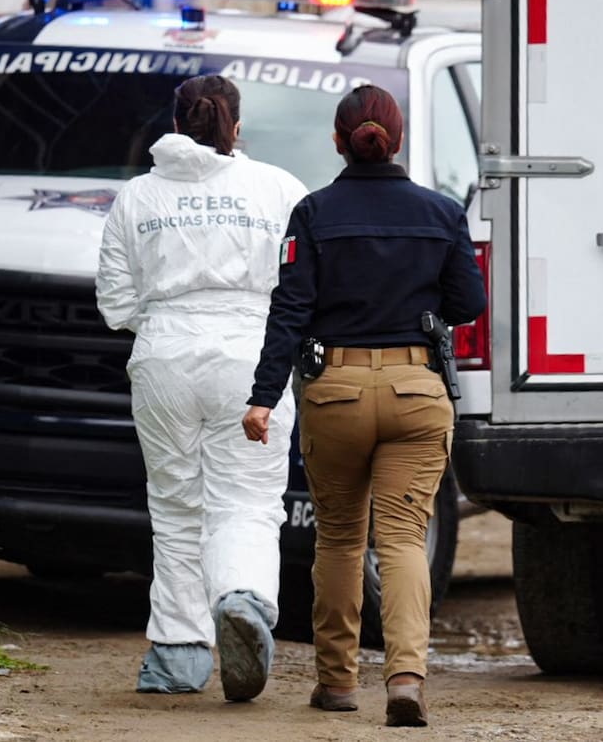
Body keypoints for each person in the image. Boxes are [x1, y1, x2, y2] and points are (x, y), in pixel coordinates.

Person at [242, 84, 486, 727]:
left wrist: (264, 397)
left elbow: (290, 310)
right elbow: (468, 305)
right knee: (404, 540)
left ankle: (337, 682)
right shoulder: (440, 213)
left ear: (338, 141)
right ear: (397, 138)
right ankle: (405, 679)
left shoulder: (314, 214)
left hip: (337, 391)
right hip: (416, 391)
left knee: (341, 540)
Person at [96, 75, 307, 701]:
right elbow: (301, 288)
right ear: (235, 127)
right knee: (245, 501)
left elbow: (114, 302)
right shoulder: (279, 189)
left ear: (176, 122)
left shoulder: (136, 197)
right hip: (252, 358)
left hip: (163, 356)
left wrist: (166, 324)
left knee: (176, 507)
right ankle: (240, 597)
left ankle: (179, 655)